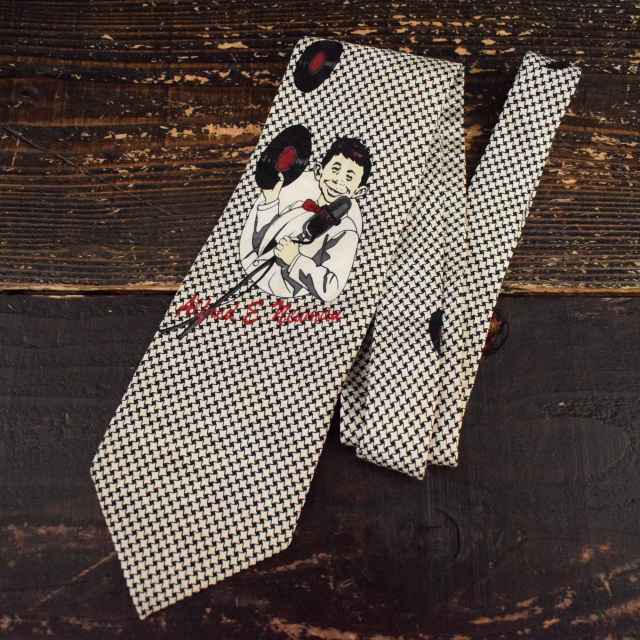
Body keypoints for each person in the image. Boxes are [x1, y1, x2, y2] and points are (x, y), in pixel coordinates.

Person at [239, 136, 372, 303]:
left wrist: (295, 259)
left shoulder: (345, 231)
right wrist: (270, 202)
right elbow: (261, 242)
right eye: (335, 169)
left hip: (274, 301)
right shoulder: (300, 207)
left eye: (349, 177)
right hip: (247, 278)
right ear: (319, 171)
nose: (338, 180)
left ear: (359, 192)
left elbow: (331, 288)